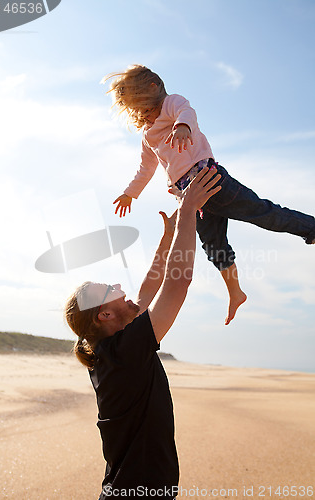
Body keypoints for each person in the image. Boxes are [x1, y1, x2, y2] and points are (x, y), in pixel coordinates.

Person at [105, 64, 315, 326]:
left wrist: (183, 126)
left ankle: (311, 228)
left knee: (262, 213)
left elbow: (187, 111)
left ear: (153, 88)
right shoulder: (148, 136)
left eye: (143, 105)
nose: (141, 113)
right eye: (136, 110)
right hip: (192, 199)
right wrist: (130, 194)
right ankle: (236, 292)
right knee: (214, 247)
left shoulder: (172, 105)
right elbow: (145, 168)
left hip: (211, 181)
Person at [64, 167, 221, 499]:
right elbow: (178, 283)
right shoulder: (122, 352)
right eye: (111, 289)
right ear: (105, 314)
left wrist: (167, 240)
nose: (121, 287)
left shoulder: (113, 348)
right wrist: (189, 211)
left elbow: (151, 285)